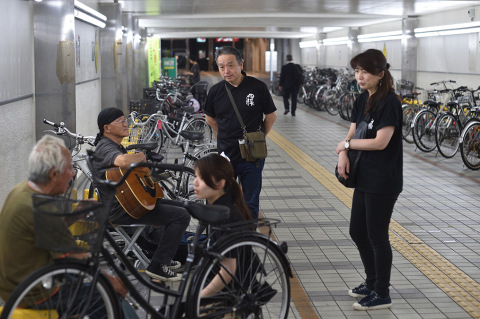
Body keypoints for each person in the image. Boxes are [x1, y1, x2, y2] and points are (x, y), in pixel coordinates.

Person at [0, 135, 130, 318]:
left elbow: (47, 230)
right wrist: (112, 281)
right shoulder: (39, 210)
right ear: (53, 174)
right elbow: (76, 257)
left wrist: (77, 213)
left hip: (12, 284)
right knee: (106, 294)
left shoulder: (21, 192)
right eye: (69, 167)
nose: (73, 173)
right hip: (35, 292)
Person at [335, 49, 402, 311]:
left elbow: (380, 142)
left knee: (377, 236)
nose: (359, 77)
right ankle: (372, 282)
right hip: (364, 175)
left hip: (383, 179)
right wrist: (343, 152)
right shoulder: (363, 98)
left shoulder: (390, 102)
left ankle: (382, 293)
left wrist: (347, 144)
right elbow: (352, 131)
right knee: (357, 232)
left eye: (364, 71)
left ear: (381, 74)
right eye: (356, 71)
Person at [92, 107, 190, 282]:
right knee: (180, 216)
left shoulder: (114, 145)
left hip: (127, 204)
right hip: (122, 211)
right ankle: (158, 265)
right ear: (107, 128)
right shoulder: (105, 147)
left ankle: (162, 256)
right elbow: (121, 161)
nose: (125, 124)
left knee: (183, 207)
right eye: (120, 121)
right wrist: (141, 156)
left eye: (125, 120)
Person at [204, 46, 277, 220]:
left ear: (241, 64)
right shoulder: (216, 91)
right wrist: (226, 134)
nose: (226, 71)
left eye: (230, 65)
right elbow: (209, 118)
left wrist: (258, 138)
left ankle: (247, 241)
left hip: (252, 157)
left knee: (250, 201)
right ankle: (224, 240)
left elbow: (271, 116)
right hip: (225, 155)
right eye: (221, 67)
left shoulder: (257, 87)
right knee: (221, 199)